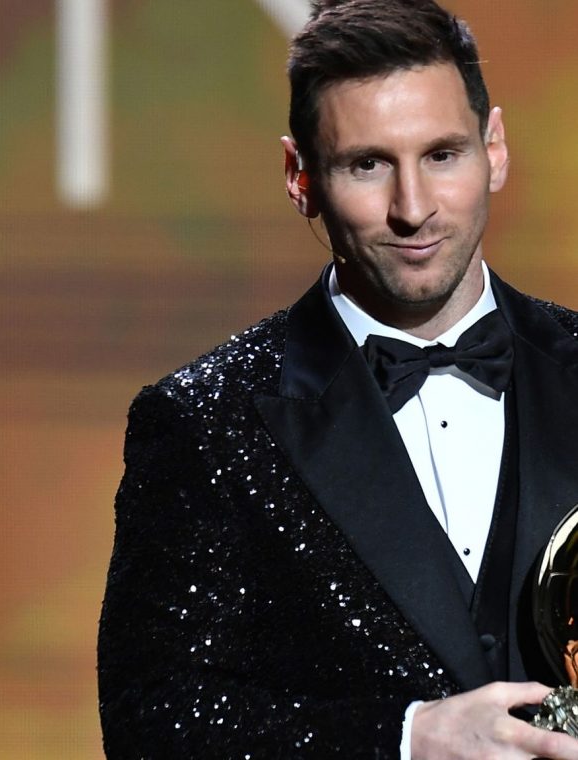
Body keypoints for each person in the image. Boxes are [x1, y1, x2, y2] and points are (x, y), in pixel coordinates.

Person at [98, 1, 578, 757]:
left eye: (442, 155)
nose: (413, 209)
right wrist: (406, 739)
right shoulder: (202, 422)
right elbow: (155, 722)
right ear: (301, 177)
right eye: (367, 165)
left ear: (495, 148)